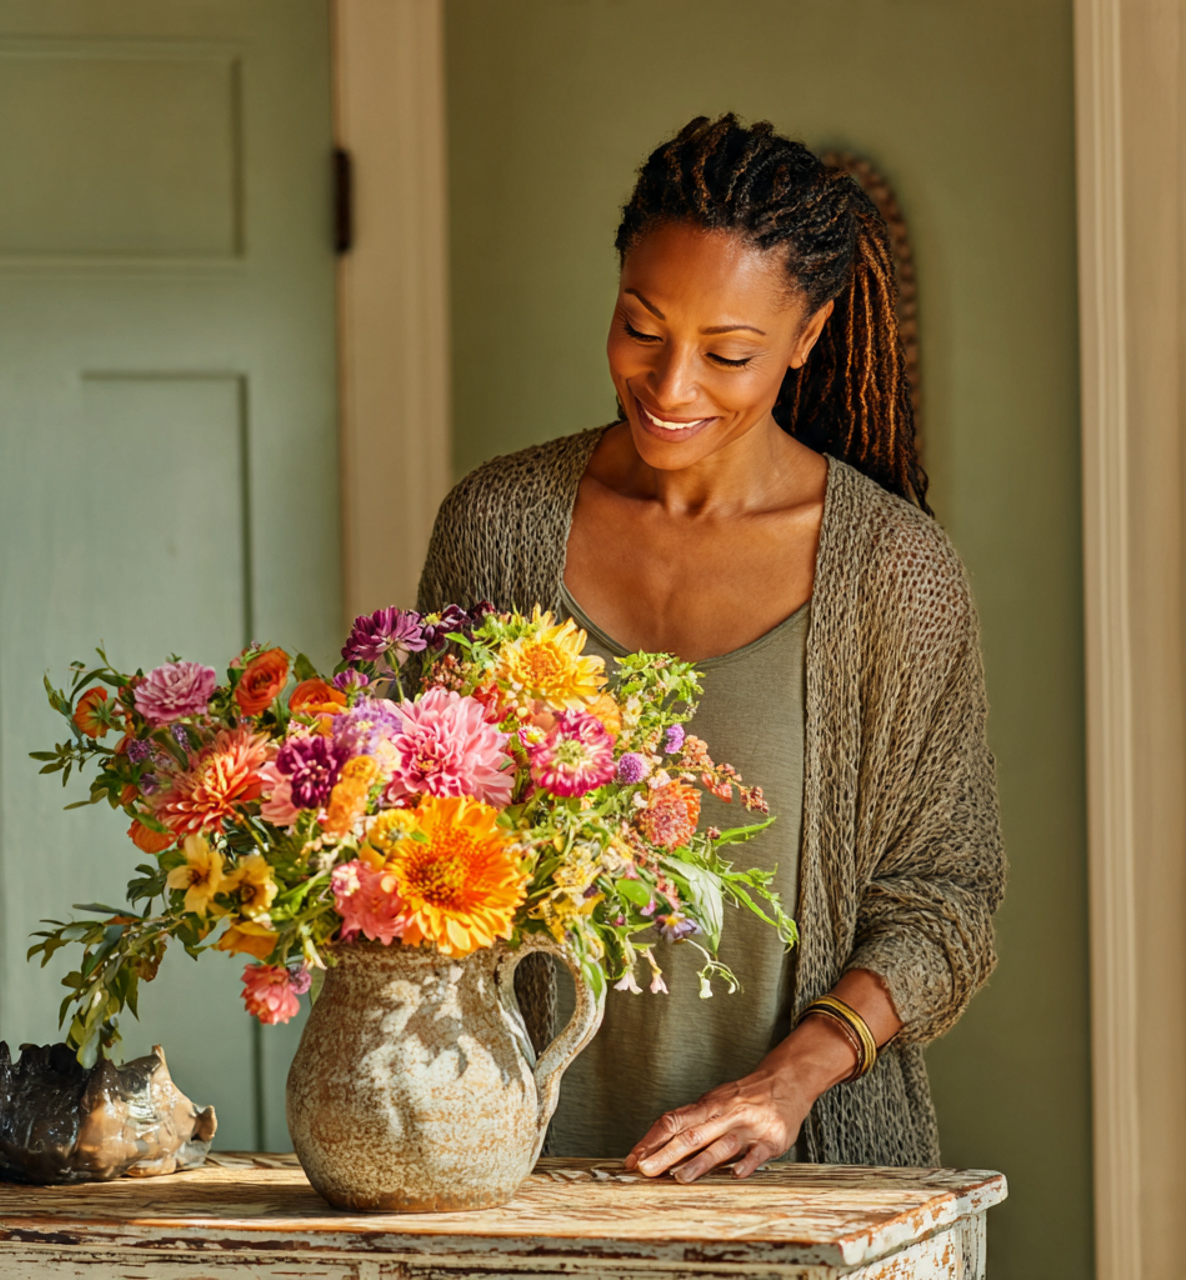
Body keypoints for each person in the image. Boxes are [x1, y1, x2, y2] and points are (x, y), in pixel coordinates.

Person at [417, 115, 1004, 1180]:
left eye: (727, 352)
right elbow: (415, 832)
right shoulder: (496, 528)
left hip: (804, 1188)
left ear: (807, 334)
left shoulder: (892, 575)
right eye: (641, 327)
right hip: (508, 1183)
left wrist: (789, 1081)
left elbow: (945, 903)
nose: (669, 384)